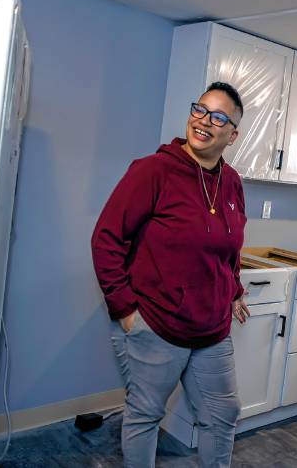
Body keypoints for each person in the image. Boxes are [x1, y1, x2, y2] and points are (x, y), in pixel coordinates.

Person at [91, 82, 250, 468]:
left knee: (223, 415)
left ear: (232, 134)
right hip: (157, 325)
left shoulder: (232, 183)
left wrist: (234, 289)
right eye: (200, 110)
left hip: (212, 330)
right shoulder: (153, 171)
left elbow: (228, 245)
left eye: (218, 117)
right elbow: (106, 239)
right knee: (145, 416)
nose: (204, 122)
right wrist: (126, 310)